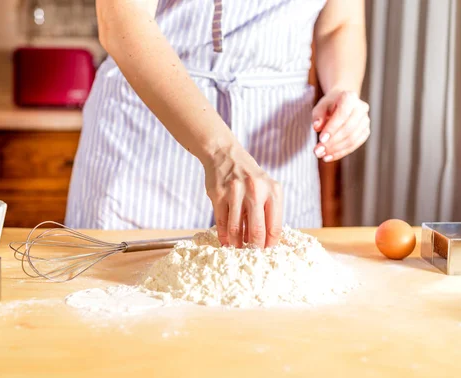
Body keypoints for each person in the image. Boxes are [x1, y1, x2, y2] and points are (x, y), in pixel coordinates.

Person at [65, 0, 370, 249]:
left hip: (280, 145)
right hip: (149, 133)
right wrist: (221, 152)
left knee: (274, 316)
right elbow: (122, 20)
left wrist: (342, 87)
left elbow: (340, 24)